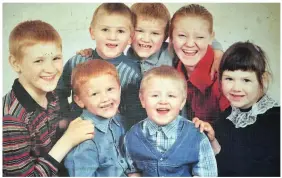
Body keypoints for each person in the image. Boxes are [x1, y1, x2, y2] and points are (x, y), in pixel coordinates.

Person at [3, 20, 94, 176]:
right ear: (15, 63)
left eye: (56, 58)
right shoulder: (12, 119)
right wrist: (67, 141)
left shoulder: (53, 95)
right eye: (39, 61)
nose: (51, 69)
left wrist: (87, 56)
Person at [193, 41, 280, 176]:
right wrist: (212, 141)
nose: (236, 88)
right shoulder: (224, 118)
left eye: (246, 80)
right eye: (229, 79)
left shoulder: (276, 120)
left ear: (263, 80)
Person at [56, 3, 146, 130]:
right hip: (76, 128)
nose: (112, 37)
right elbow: (60, 92)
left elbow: (134, 114)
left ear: (130, 38)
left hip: (112, 135)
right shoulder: (77, 61)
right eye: (105, 30)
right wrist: (65, 117)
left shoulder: (132, 73)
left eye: (120, 31)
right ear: (92, 32)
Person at [78, 3, 224, 78]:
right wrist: (91, 53)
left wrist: (218, 52)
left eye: (155, 33)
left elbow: (202, 36)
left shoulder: (170, 51)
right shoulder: (122, 55)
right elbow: (107, 48)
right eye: (139, 30)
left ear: (167, 35)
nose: (146, 38)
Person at [125, 66, 218, 177]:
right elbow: (132, 170)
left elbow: (207, 173)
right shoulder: (132, 136)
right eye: (155, 95)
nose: (163, 101)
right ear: (143, 100)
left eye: (171, 95)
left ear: (182, 102)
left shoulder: (196, 135)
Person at [64, 60, 139, 176]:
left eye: (110, 89)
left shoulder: (120, 121)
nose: (105, 98)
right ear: (79, 100)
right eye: (94, 94)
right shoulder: (85, 139)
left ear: (119, 89)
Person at [169, 4, 230, 123]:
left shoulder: (223, 74)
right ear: (170, 36)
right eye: (182, 36)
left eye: (200, 37)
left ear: (211, 37)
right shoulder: (173, 68)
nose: (190, 44)